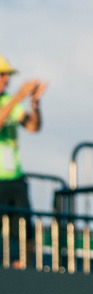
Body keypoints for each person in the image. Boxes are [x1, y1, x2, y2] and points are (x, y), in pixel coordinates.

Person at [0, 55, 46, 268]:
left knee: (26, 232)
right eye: (2, 75)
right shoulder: (10, 101)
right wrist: (19, 96)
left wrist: (35, 105)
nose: (6, 80)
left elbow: (33, 127)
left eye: (7, 75)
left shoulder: (8, 101)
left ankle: (23, 268)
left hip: (15, 180)